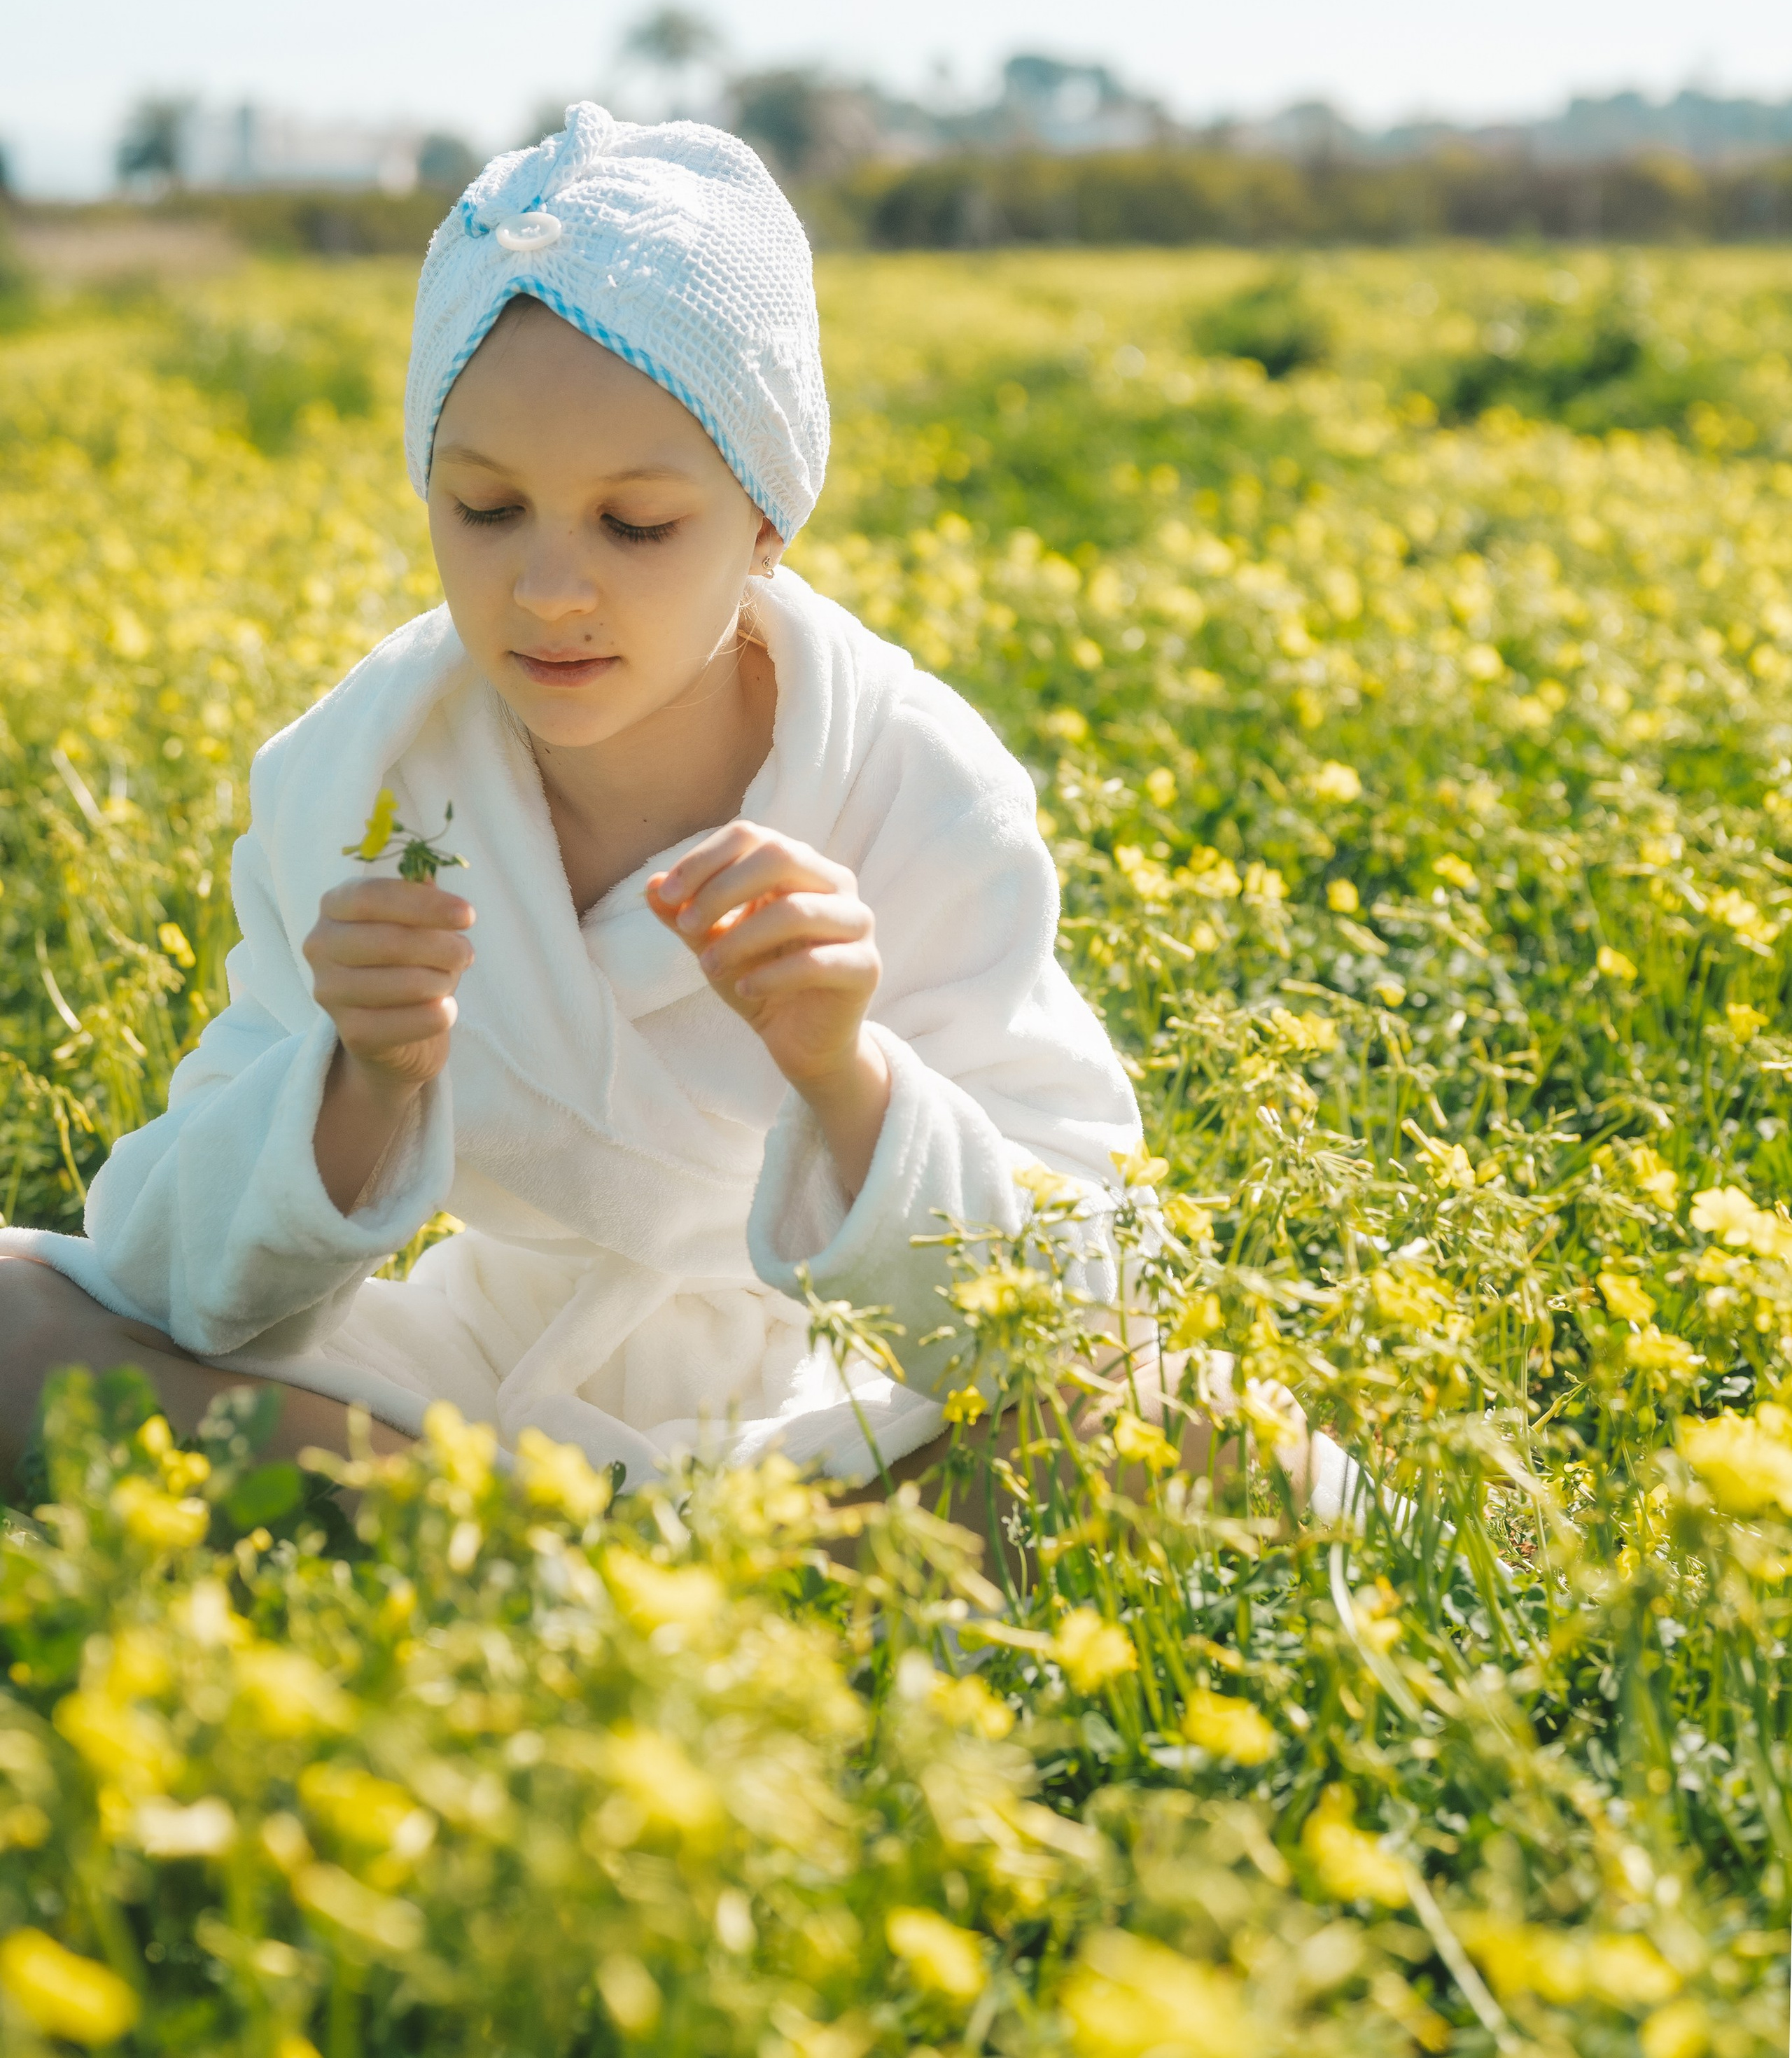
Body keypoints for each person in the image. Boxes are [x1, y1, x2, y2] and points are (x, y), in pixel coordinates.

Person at [0, 105, 1149, 1499]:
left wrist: (849, 1081)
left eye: (635, 524)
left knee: (1205, 1436)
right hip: (467, 1385)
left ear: (767, 520)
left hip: (839, 1408)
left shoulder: (908, 775)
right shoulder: (360, 778)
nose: (547, 593)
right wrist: (355, 1086)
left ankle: (509, 1555)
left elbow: (1082, 1286)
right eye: (485, 511)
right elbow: (170, 1278)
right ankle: (672, 1569)